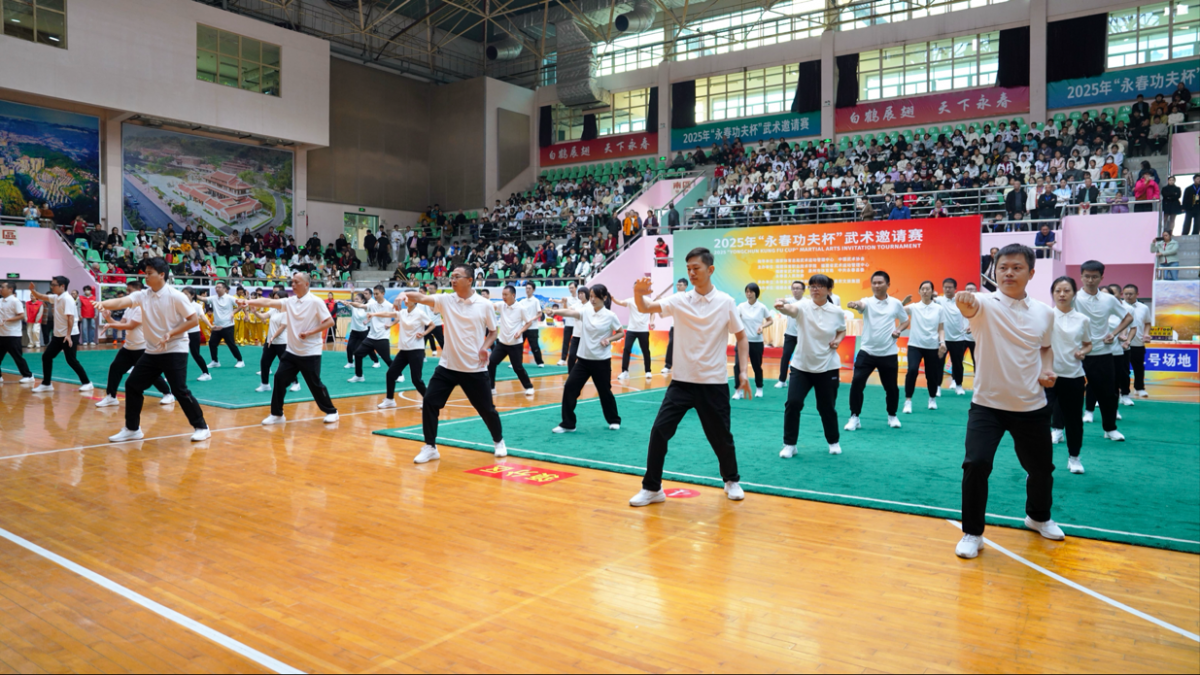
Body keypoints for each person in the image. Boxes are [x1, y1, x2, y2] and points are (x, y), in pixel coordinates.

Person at [954, 243, 1063, 560]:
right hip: (987, 405)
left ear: (1031, 272)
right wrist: (966, 303)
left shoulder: (1045, 312)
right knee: (976, 464)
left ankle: (1038, 517)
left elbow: (1045, 347)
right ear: (995, 271)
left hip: (1031, 406)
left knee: (1041, 468)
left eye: (1016, 267)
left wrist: (1047, 368)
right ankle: (972, 532)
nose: (1009, 273)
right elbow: (971, 309)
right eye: (1002, 267)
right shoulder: (984, 304)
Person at [627, 247, 751, 507]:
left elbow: (741, 337)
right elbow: (647, 306)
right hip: (681, 383)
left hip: (713, 383)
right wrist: (639, 294)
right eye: (689, 269)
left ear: (710, 270)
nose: (692, 273)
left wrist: (742, 371)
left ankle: (731, 480)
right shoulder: (680, 299)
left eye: (697, 268)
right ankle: (652, 488)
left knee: (721, 437)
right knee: (659, 431)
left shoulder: (726, 302)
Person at [97, 259, 211, 443]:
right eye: (145, 272)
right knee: (133, 385)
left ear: (162, 275)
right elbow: (121, 301)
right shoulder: (142, 295)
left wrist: (171, 333)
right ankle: (132, 429)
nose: (145, 276)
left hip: (175, 348)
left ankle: (201, 427)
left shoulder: (176, 296)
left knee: (179, 390)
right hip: (152, 350)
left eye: (149, 273)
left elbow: (192, 321)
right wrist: (104, 303)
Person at [404, 266, 506, 464]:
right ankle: (430, 447)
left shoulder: (484, 304)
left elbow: (493, 332)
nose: (453, 280)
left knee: (487, 410)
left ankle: (498, 441)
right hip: (448, 367)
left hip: (474, 368)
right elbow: (422, 298)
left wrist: (485, 347)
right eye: (451, 277)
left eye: (457, 277)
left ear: (469, 280)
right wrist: (404, 293)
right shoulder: (445, 300)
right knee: (430, 402)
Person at [239, 273, 339, 426]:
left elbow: (329, 322)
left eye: (296, 282)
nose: (292, 285)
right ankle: (277, 414)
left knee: (315, 384)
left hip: (310, 352)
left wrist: (310, 332)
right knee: (279, 379)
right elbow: (268, 301)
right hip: (292, 352)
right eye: (291, 282)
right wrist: (248, 301)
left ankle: (332, 411)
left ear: (306, 284)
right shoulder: (290, 301)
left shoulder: (316, 302)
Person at [774, 274, 846, 457]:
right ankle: (789, 444)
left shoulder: (836, 312)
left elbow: (842, 330)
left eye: (819, 286)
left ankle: (833, 441)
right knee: (793, 403)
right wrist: (782, 306)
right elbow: (791, 309)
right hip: (801, 366)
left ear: (829, 290)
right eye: (812, 286)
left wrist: (837, 340)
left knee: (826, 407)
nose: (814, 289)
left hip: (827, 366)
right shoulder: (803, 306)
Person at [548, 284, 625, 433]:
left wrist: (609, 339)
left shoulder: (610, 316)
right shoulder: (586, 310)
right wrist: (555, 311)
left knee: (605, 392)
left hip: (601, 361)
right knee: (570, 387)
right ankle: (568, 424)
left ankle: (614, 420)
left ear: (604, 298)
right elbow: (571, 313)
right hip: (583, 360)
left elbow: (621, 332)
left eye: (595, 296)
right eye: (591, 296)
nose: (592, 299)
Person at [1074, 260, 1132, 441]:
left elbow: (1128, 317)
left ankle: (1110, 429)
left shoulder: (1109, 300)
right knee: (1067, 393)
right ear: (1081, 277)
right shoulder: (1073, 297)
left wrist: (1114, 334)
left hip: (1101, 353)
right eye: (1086, 276)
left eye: (1094, 277)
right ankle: (1058, 430)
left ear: (1101, 278)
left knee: (1108, 393)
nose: (1090, 280)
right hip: (1076, 354)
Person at [94, 279, 176, 407]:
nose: (127, 294)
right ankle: (111, 396)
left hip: (142, 348)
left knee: (151, 374)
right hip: (129, 347)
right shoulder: (129, 308)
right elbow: (121, 324)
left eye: (129, 291)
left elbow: (130, 326)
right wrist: (108, 318)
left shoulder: (141, 308)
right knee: (115, 368)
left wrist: (110, 323)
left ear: (138, 292)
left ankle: (168, 394)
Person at [844, 272, 909, 431]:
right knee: (857, 383)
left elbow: (905, 320)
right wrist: (855, 304)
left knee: (891, 388)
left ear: (888, 284)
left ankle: (892, 416)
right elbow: (861, 305)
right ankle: (854, 417)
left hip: (888, 353)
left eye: (880, 283)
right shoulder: (867, 301)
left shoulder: (895, 303)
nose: (876, 286)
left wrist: (899, 329)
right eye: (874, 283)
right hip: (867, 352)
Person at [1046, 276, 1091, 475]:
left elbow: (1088, 343)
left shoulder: (1083, 319)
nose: (1062, 294)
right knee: (1039, 421)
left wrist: (1083, 352)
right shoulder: (1045, 316)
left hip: (1073, 376)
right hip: (1047, 376)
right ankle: (1039, 463)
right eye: (1058, 291)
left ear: (1074, 293)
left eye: (1067, 290)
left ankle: (1074, 458)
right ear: (1053, 293)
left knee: (1074, 420)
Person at [28, 277, 93, 393]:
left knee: (71, 360)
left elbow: (71, 318)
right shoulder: (56, 297)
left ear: (62, 286)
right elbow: (42, 296)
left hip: (69, 335)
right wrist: (32, 291)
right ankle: (46, 384)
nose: (51, 287)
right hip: (58, 335)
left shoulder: (67, 299)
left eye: (53, 285)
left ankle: (87, 383)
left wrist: (68, 335)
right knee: (47, 356)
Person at [370, 295, 434, 409]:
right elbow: (387, 314)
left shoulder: (420, 313)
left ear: (414, 301)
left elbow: (432, 325)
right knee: (390, 374)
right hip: (404, 351)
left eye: (408, 299)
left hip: (416, 350)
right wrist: (373, 314)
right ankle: (389, 400)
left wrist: (423, 334)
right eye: (405, 299)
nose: (405, 300)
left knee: (416, 380)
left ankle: (429, 400)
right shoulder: (403, 312)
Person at [903, 281, 947, 413]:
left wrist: (942, 343)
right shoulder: (914, 307)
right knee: (912, 370)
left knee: (931, 374)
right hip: (915, 345)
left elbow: (941, 329)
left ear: (933, 292)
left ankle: (932, 398)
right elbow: (895, 310)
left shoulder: (939, 309)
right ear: (919, 291)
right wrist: (903, 303)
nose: (925, 291)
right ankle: (908, 401)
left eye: (928, 289)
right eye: (922, 289)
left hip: (932, 346)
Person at [487, 284, 537, 397]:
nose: (503, 297)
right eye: (502, 294)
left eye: (506, 294)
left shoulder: (521, 308)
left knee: (517, 368)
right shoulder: (501, 305)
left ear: (513, 295)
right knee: (491, 363)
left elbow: (528, 322)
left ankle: (529, 387)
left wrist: (520, 331)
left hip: (515, 344)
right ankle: (491, 388)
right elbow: (491, 306)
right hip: (502, 343)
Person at [254, 291, 301, 394]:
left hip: (281, 342)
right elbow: (263, 317)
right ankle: (265, 384)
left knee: (286, 364)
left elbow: (282, 327)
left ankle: (296, 383)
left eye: (277, 298)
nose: (274, 301)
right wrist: (254, 312)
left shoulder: (287, 312)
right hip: (271, 341)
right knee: (264, 362)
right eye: (274, 298)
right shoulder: (273, 309)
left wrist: (272, 338)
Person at [345, 286, 395, 383]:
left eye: (377, 294)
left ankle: (398, 374)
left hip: (382, 337)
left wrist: (391, 324)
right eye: (374, 294)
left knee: (387, 359)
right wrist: (350, 303)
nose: (375, 296)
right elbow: (360, 306)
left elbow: (398, 317)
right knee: (358, 354)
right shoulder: (372, 305)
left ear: (383, 293)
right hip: (371, 337)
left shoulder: (389, 306)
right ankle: (359, 376)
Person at [731, 282, 773, 399]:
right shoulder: (741, 306)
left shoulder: (762, 307)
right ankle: (737, 391)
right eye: (747, 292)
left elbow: (770, 320)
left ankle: (759, 388)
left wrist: (762, 326)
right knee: (738, 366)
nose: (748, 294)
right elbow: (735, 319)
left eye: (751, 292)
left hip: (757, 342)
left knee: (756, 366)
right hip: (742, 341)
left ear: (756, 293)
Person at [936, 278, 969, 396]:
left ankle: (959, 385)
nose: (947, 289)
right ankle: (937, 387)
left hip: (958, 339)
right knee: (939, 364)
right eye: (945, 287)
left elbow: (969, 315)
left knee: (958, 364)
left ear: (955, 289)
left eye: (950, 287)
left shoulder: (960, 301)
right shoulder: (938, 301)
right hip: (942, 339)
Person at [203, 282, 245, 369]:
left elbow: (241, 305)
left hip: (228, 325)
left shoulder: (230, 298)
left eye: (219, 287)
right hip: (217, 326)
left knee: (231, 344)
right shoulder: (213, 298)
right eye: (216, 287)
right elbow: (204, 299)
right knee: (212, 343)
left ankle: (240, 361)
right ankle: (215, 361)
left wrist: (233, 312)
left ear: (224, 289)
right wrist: (194, 296)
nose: (216, 288)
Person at [613, 293, 653, 381]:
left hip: (643, 330)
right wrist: (613, 299)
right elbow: (621, 302)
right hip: (631, 329)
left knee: (645, 351)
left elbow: (652, 312)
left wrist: (652, 321)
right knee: (626, 349)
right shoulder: (631, 300)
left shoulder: (648, 300)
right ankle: (625, 372)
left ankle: (648, 371)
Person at [1122, 284, 1152, 400]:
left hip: (1138, 343)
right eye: (1126, 294)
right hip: (1122, 344)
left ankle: (1139, 388)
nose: (1128, 296)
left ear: (1137, 294)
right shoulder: (1119, 306)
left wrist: (1146, 334)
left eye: (1131, 294)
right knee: (1123, 369)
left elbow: (1148, 323)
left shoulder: (1143, 308)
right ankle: (1123, 391)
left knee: (1138, 367)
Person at [774, 281, 806, 389]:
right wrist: (778, 301)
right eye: (793, 288)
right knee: (786, 356)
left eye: (798, 288)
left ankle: (804, 380)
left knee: (803, 357)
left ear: (803, 290)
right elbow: (779, 300)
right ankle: (782, 380)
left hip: (803, 335)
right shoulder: (789, 301)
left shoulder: (807, 302)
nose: (795, 290)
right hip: (790, 334)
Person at [0, 282, 34, 383]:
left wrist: (8, 319)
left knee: (17, 357)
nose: (0, 289)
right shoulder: (0, 300)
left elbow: (21, 315)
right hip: (1, 334)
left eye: (2, 287)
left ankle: (28, 376)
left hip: (13, 335)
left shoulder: (15, 301)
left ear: (10, 289)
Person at [654, 278, 688, 375]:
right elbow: (663, 313)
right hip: (675, 326)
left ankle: (684, 366)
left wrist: (663, 300)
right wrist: (660, 303)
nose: (678, 286)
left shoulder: (688, 297)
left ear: (685, 286)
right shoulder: (674, 297)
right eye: (677, 285)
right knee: (671, 345)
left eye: (680, 285)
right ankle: (668, 366)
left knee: (685, 347)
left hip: (686, 327)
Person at [181, 288, 212, 381]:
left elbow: (203, 317)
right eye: (183, 294)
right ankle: (173, 375)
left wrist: (211, 326)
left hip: (193, 333)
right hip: (181, 333)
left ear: (192, 295)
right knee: (178, 355)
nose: (184, 295)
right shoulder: (178, 305)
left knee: (195, 354)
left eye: (186, 294)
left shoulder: (197, 306)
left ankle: (206, 373)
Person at [342, 292, 379, 370]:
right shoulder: (353, 307)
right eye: (355, 299)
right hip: (354, 331)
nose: (355, 300)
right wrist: (339, 301)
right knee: (349, 347)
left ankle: (376, 361)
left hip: (363, 331)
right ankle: (350, 363)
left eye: (357, 299)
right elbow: (347, 303)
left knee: (368, 348)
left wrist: (367, 321)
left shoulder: (366, 308)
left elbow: (371, 316)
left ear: (362, 300)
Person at [518, 282, 545, 368]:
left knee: (534, 346)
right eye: (526, 288)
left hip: (533, 327)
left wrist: (531, 320)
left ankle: (540, 362)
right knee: (518, 346)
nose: (528, 290)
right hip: (523, 327)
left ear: (533, 290)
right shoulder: (522, 301)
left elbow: (540, 314)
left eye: (529, 288)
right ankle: (516, 362)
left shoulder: (536, 301)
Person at [556, 281, 582, 367]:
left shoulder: (580, 300)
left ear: (576, 288)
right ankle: (563, 359)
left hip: (577, 325)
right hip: (568, 324)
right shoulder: (567, 299)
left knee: (577, 343)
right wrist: (564, 303)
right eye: (569, 288)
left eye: (572, 288)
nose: (571, 289)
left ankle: (578, 359)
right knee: (565, 342)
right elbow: (565, 310)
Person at [423, 283, 445, 356]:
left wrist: (435, 309)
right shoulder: (427, 298)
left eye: (431, 289)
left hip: (437, 323)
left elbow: (441, 309)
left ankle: (448, 356)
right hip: (428, 323)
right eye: (429, 288)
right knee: (423, 340)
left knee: (441, 341)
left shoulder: (439, 298)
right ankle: (422, 356)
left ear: (436, 289)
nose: (430, 290)